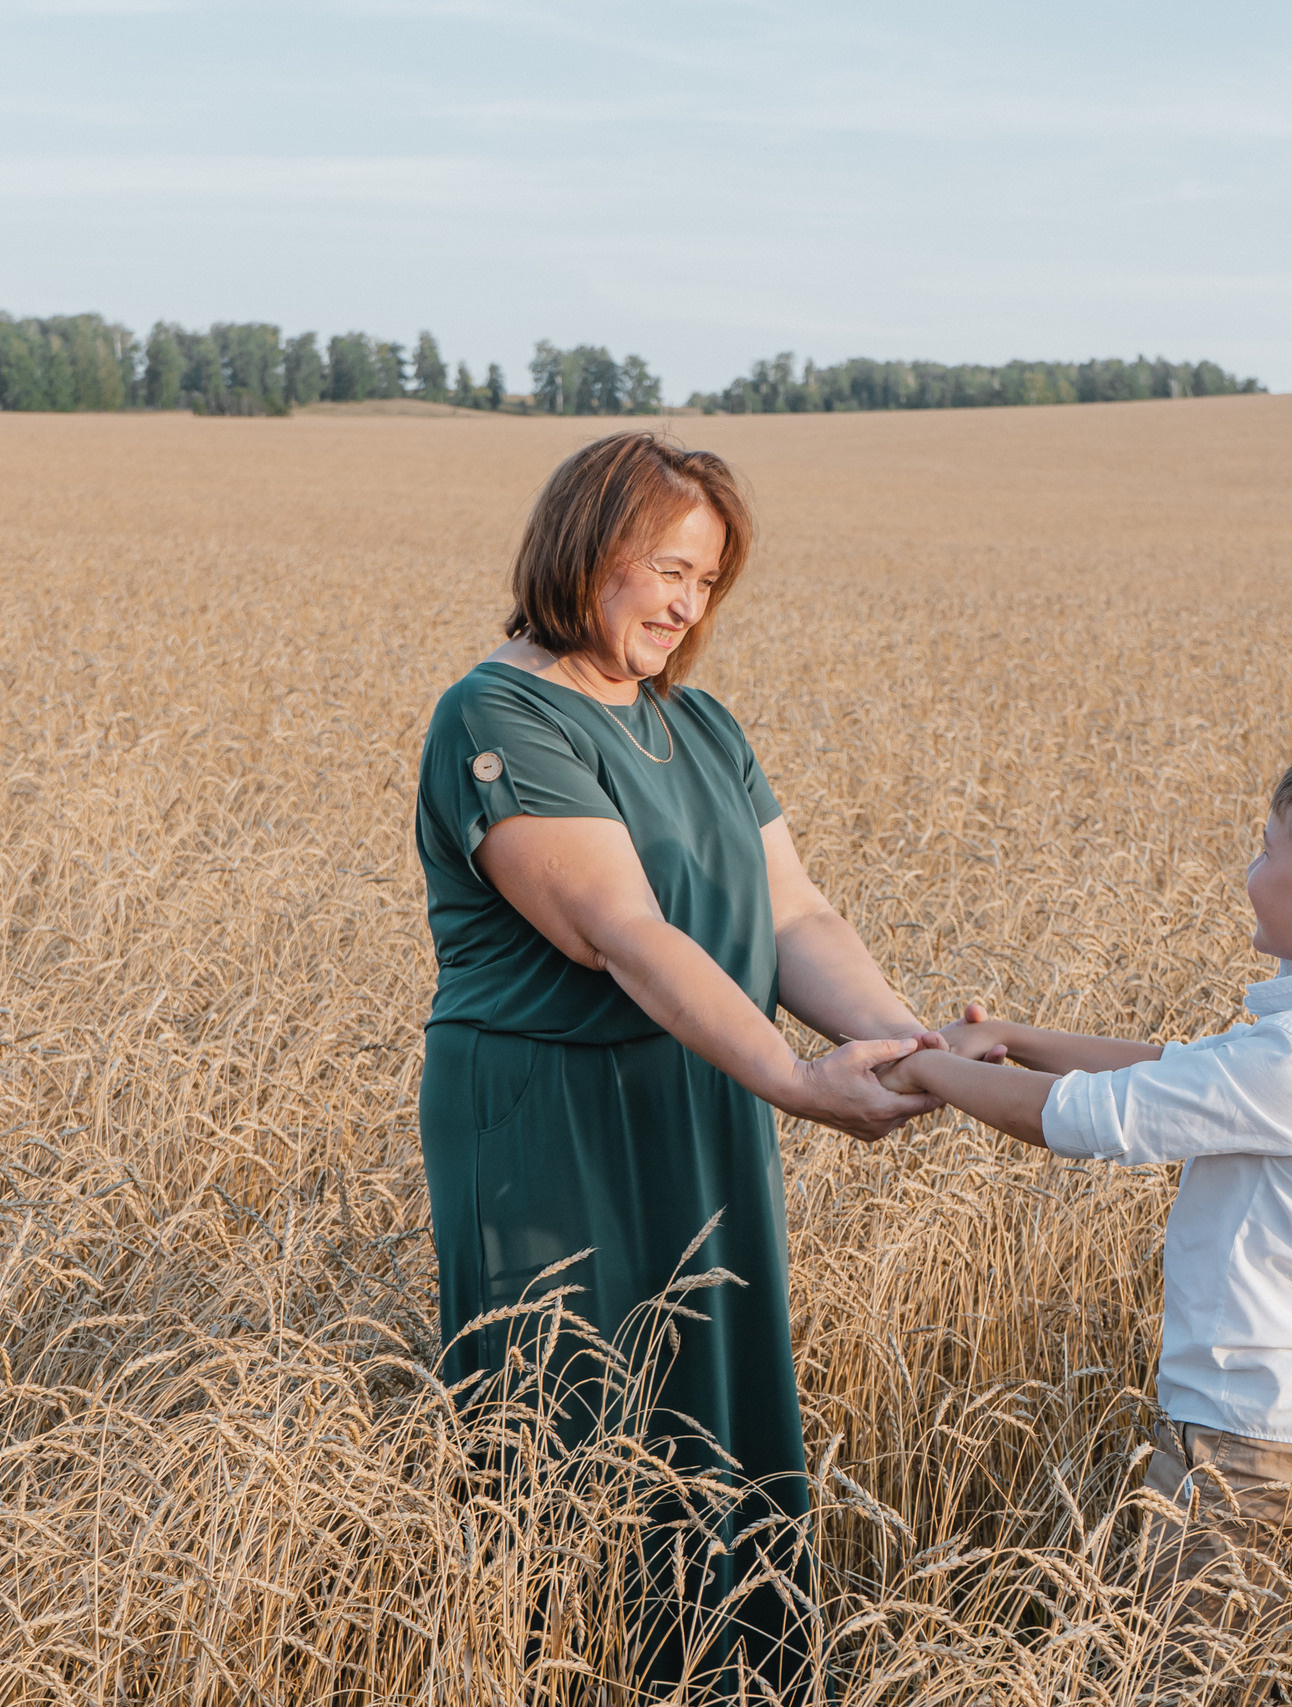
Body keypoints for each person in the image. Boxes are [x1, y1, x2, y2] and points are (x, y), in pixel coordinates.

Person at [411, 432, 943, 1692]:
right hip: (550, 1111)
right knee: (567, 1419)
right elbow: (624, 932)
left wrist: (898, 1042)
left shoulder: (697, 724)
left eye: (705, 582)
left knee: (711, 1399)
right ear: (581, 552)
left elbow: (797, 914)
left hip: (704, 1094)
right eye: (662, 567)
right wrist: (798, 1084)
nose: (682, 604)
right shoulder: (498, 711)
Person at [876, 748, 1292, 1600]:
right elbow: (1184, 1068)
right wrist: (1013, 1037)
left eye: (1269, 850)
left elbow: (1082, 1118)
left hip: (1257, 1452)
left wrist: (927, 1071)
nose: (1250, 867)